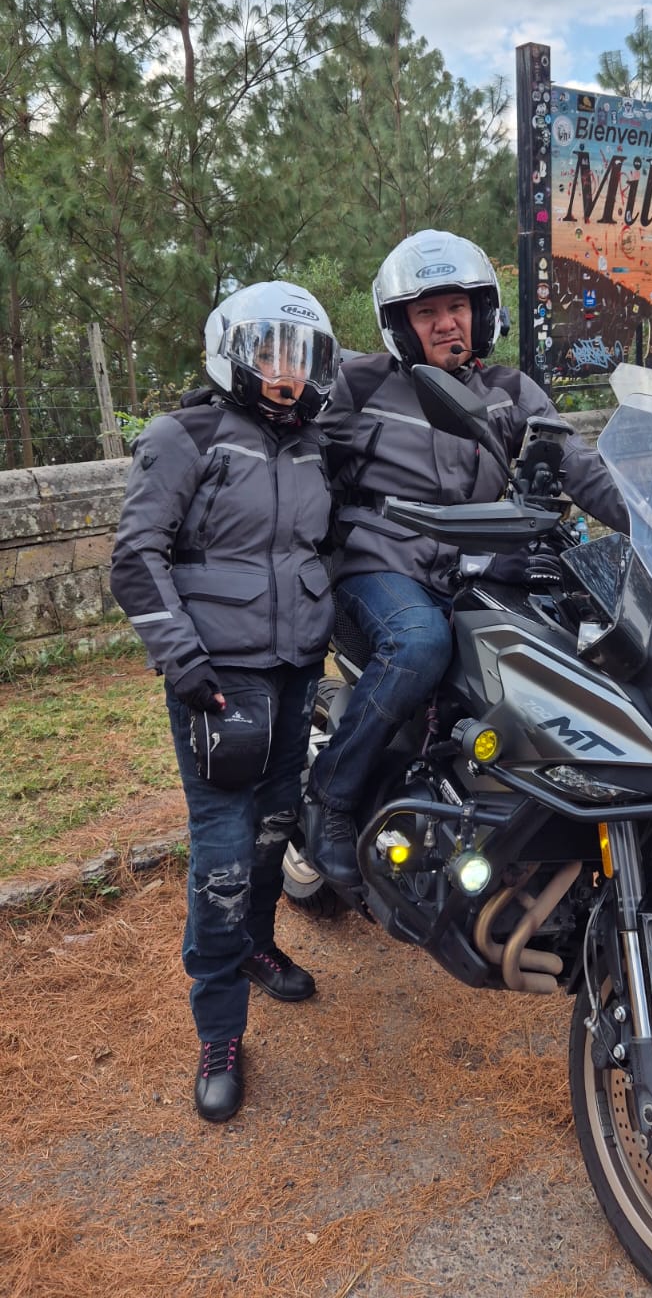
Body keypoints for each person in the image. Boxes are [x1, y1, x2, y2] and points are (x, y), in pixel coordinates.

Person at [304, 229, 627, 885]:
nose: (445, 322)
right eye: (426, 312)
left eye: (456, 306)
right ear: (401, 325)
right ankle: (330, 798)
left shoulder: (510, 390)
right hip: (380, 566)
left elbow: (579, 467)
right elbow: (287, 442)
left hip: (477, 568)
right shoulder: (360, 385)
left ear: (482, 313)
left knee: (570, 647)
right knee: (421, 644)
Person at [110, 281, 340, 1124]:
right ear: (236, 351)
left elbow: (334, 541)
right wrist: (184, 663)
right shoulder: (187, 434)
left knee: (279, 827)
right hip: (216, 681)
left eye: (303, 354)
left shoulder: (317, 443)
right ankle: (219, 1031)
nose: (288, 371)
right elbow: (137, 557)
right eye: (273, 350)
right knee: (222, 858)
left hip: (294, 672)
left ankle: (258, 946)